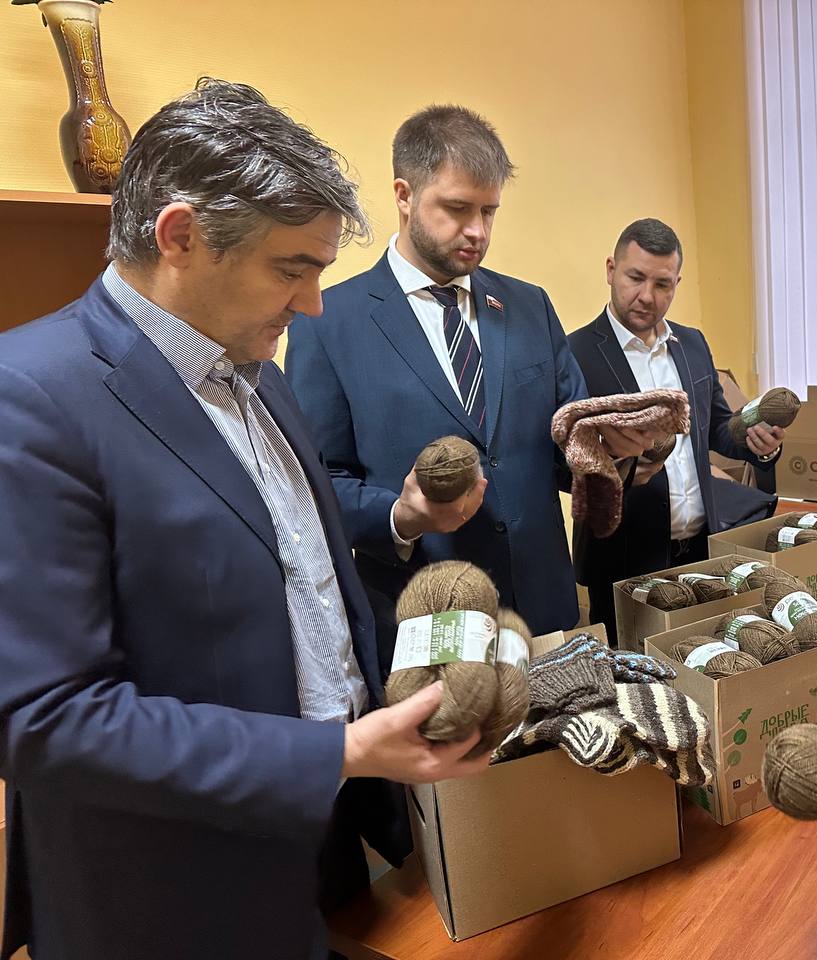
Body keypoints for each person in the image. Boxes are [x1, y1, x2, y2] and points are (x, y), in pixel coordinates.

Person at [0, 80, 493, 960]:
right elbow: (47, 721)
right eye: (291, 268)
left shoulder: (256, 370)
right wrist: (333, 755)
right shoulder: (29, 398)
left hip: (329, 841)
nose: (312, 303)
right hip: (172, 894)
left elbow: (307, 584)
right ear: (180, 236)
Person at [286, 106, 649, 668]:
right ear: (404, 195)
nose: (477, 231)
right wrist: (401, 517)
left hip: (545, 617)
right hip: (426, 629)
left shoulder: (529, 306)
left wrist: (618, 453)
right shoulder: (327, 322)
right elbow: (317, 484)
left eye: (489, 211)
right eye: (457, 208)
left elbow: (568, 450)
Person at [568, 219, 784, 644]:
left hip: (702, 551)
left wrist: (758, 444)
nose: (647, 296)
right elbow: (565, 457)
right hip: (623, 560)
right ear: (611, 269)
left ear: (677, 283)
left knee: (705, 662)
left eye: (662, 284)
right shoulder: (574, 353)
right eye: (635, 277)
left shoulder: (693, 343)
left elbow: (717, 429)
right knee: (635, 676)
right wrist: (618, 461)